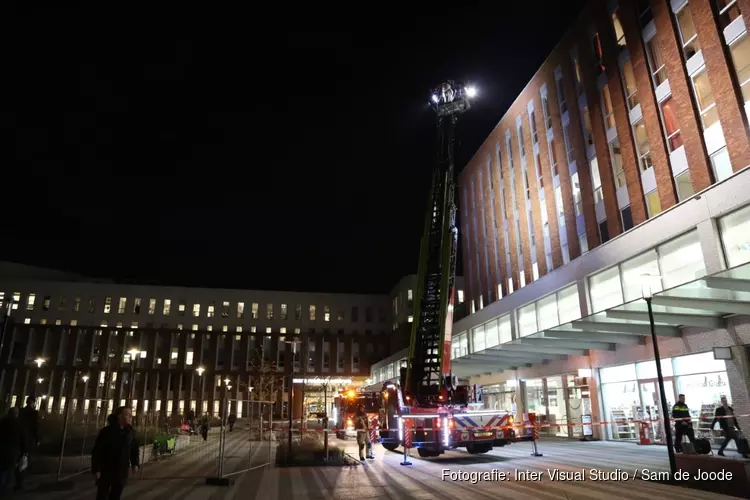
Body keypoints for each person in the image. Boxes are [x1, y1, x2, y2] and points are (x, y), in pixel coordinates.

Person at [91, 406, 140, 500]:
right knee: (102, 495)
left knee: (116, 495)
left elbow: (134, 449)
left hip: (122, 471)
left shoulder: (131, 432)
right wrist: (96, 469)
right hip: (106, 469)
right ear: (119, 416)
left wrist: (135, 463)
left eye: (131, 415)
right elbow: (97, 451)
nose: (130, 417)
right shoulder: (106, 432)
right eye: (127, 415)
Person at [0, 407, 27, 495]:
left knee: (3, 469)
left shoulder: (3, 422)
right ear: (16, 414)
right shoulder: (19, 424)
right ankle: (4, 489)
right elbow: (23, 438)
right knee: (10, 469)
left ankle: (2, 486)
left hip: (3, 448)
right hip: (14, 450)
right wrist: (24, 451)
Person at [15, 399, 39, 491]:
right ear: (32, 403)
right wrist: (37, 439)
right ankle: (20, 482)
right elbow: (35, 427)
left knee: (19, 459)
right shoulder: (33, 413)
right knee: (24, 460)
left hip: (19, 438)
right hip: (27, 439)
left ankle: (18, 479)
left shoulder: (21, 411)